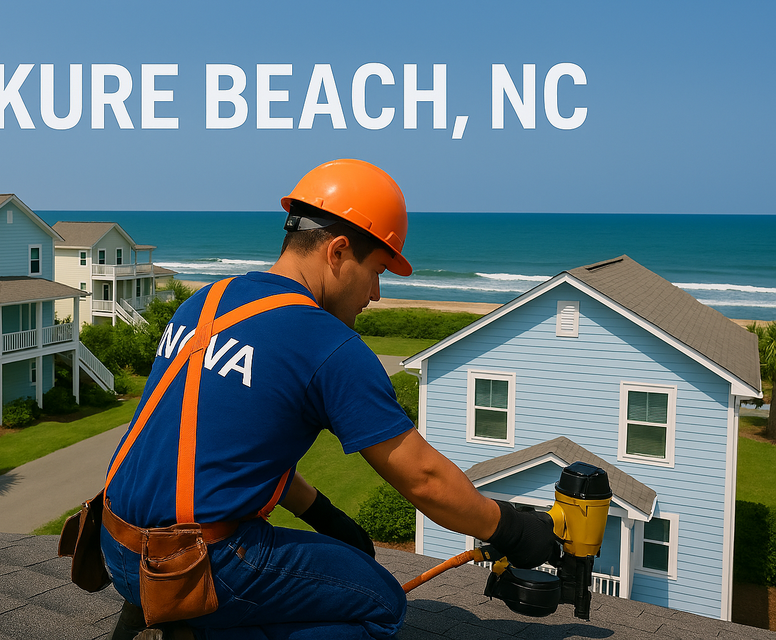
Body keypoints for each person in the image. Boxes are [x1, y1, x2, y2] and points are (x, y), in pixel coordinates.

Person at [100, 159, 557, 640]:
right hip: (197, 567)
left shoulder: (206, 302)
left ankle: (165, 612)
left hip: (117, 549)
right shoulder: (327, 344)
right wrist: (510, 529)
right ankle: (195, 634)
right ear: (338, 252)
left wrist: (322, 513)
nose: (376, 295)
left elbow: (229, 442)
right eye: (377, 271)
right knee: (384, 604)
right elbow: (423, 478)